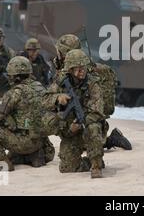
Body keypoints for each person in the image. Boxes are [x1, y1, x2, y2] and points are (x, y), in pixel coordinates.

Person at [0, 56, 50, 172]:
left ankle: (4, 164)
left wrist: (5, 118)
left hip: (25, 143)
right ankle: (31, 156)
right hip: (41, 141)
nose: (9, 78)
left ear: (15, 77)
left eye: (10, 76)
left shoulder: (15, 93)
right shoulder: (40, 87)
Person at [42, 49, 106, 178]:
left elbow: (97, 112)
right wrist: (57, 97)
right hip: (70, 129)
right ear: (70, 70)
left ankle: (96, 165)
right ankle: (87, 162)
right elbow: (43, 100)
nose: (82, 71)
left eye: (84, 68)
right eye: (78, 69)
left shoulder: (92, 84)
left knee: (93, 127)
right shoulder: (61, 82)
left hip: (88, 125)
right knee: (66, 168)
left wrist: (81, 123)